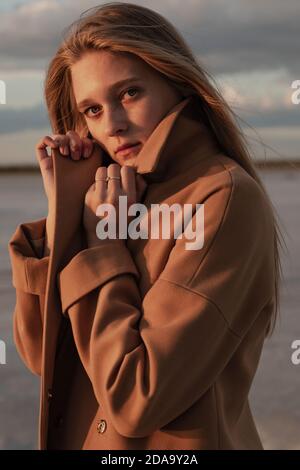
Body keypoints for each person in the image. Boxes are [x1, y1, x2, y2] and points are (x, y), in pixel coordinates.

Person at [8, 2, 284, 450]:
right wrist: (65, 211)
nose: (113, 125)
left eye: (130, 93)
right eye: (92, 110)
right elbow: (44, 356)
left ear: (176, 82)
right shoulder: (110, 197)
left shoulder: (221, 198)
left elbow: (135, 399)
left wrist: (101, 243)